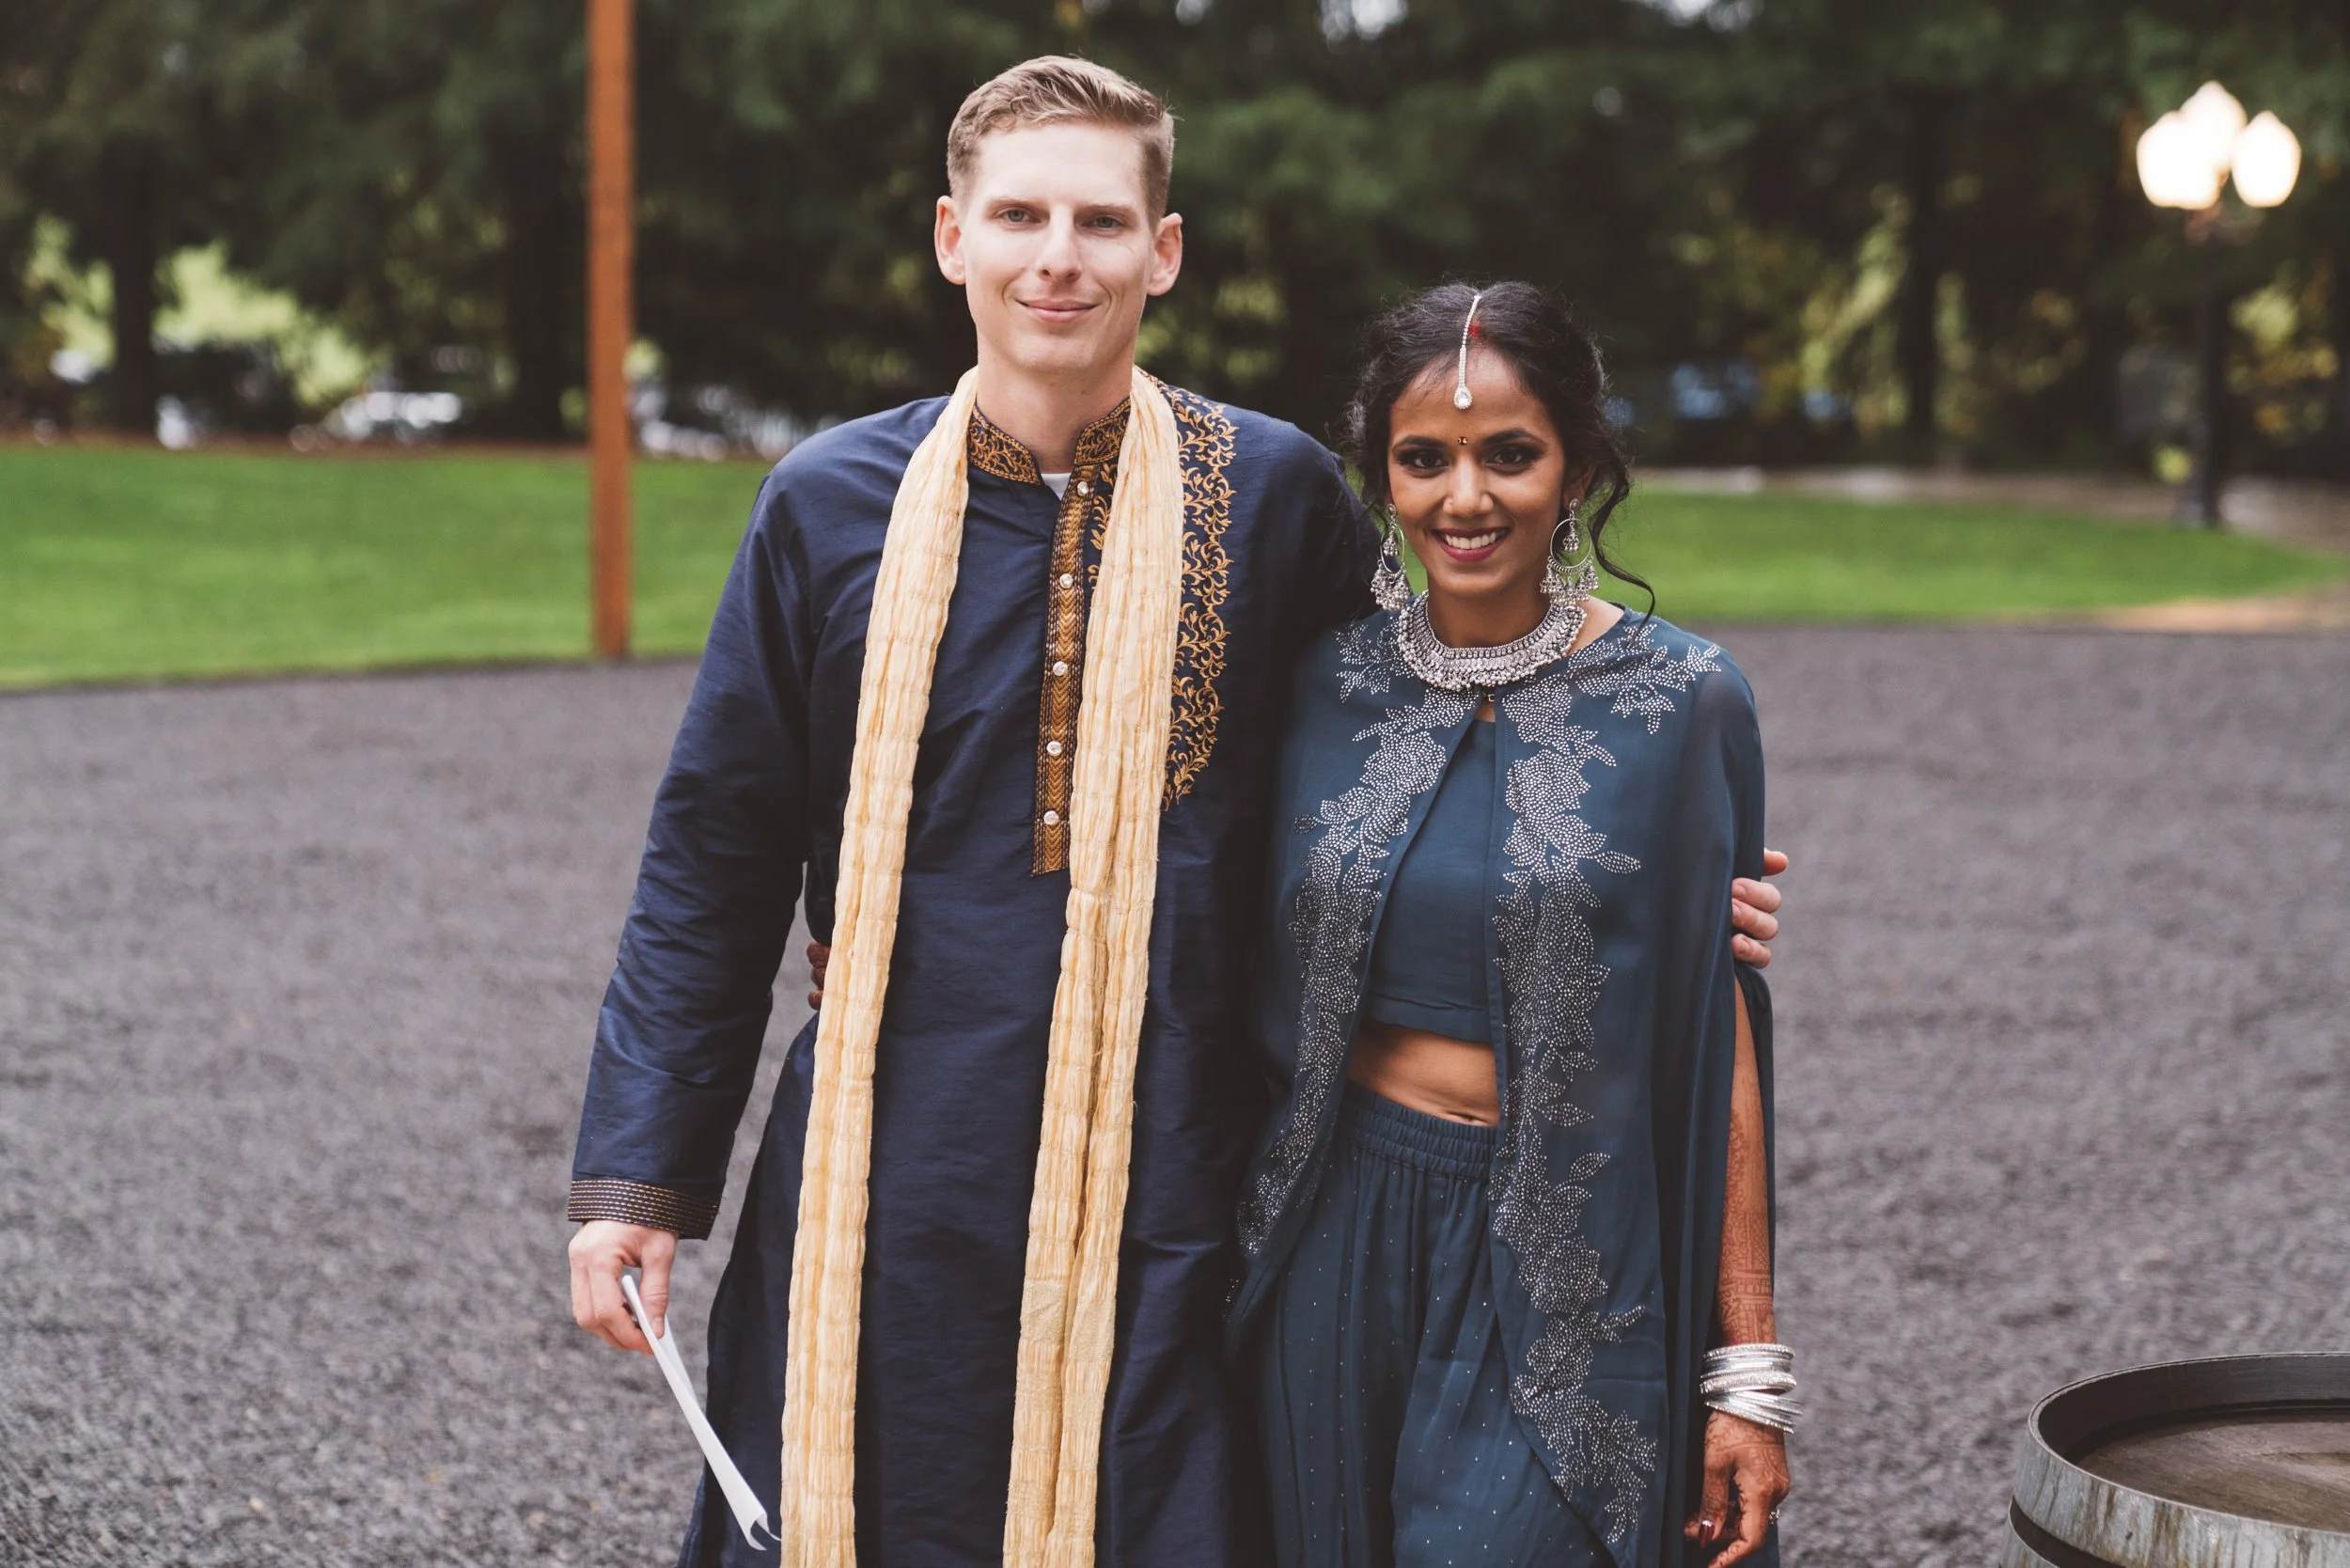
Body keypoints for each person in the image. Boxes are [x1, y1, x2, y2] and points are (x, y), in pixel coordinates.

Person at [565, 58, 1785, 1568]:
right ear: (953, 238)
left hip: (1177, 1165)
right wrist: (637, 1180)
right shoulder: (830, 503)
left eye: (1098, 217)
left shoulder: (1270, 496)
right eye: (1018, 215)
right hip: (893, 1157)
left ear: (1165, 250)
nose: (1057, 255)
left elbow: (1430, 708)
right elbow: (716, 855)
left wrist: (1656, 875)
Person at [1229, 281, 1792, 1568]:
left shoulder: (1685, 702)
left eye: (1510, 454)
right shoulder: (1321, 686)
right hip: (1330, 1224)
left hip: (1566, 1253)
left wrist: (1746, 1375)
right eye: (1422, 459)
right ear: (1382, 479)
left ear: (1580, 469)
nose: (1464, 497)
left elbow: (1724, 1039)